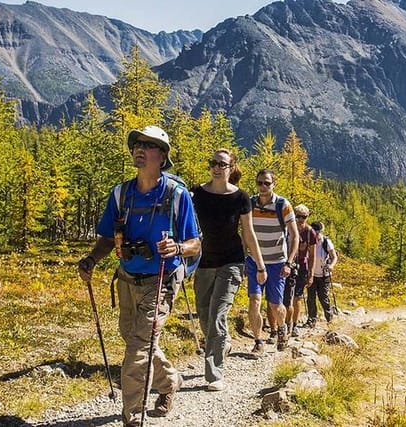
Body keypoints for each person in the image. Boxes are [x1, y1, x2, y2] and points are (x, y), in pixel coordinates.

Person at [77, 126, 201, 426]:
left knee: (137, 350)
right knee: (137, 341)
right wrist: (92, 258)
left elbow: (196, 243)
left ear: (162, 156)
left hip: (161, 280)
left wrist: (177, 247)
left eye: (148, 145)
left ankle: (131, 417)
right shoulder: (121, 194)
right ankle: (170, 381)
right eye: (137, 144)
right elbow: (108, 237)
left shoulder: (176, 195)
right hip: (127, 279)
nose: (139, 149)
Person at [191, 148, 267, 392]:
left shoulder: (241, 198)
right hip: (203, 262)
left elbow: (248, 232)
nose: (216, 167)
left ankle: (215, 374)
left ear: (231, 167)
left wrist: (260, 265)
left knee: (217, 314)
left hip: (232, 262)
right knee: (204, 315)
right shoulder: (196, 194)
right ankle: (223, 342)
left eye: (222, 164)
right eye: (213, 162)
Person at [246, 169, 299, 356]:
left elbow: (294, 236)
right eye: (259, 182)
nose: (263, 187)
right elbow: (244, 230)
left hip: (277, 262)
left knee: (275, 305)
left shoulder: (283, 205)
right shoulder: (250, 204)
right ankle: (258, 341)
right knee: (255, 300)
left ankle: (282, 327)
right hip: (254, 260)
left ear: (273, 184)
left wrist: (289, 263)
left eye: (267, 183)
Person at [284, 204, 316, 338]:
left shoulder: (310, 232)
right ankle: (286, 323)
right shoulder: (287, 229)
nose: (301, 219)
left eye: (304, 217)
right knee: (286, 297)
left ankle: (295, 325)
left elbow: (312, 255)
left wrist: (311, 274)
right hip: (287, 264)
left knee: (297, 297)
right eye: (298, 216)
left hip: (302, 267)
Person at [306, 221, 337, 327]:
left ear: (320, 232)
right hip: (311, 274)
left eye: (317, 232)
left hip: (324, 275)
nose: (315, 235)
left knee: (323, 297)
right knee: (311, 298)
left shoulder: (326, 242)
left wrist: (331, 266)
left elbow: (334, 257)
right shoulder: (309, 241)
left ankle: (329, 317)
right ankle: (312, 319)